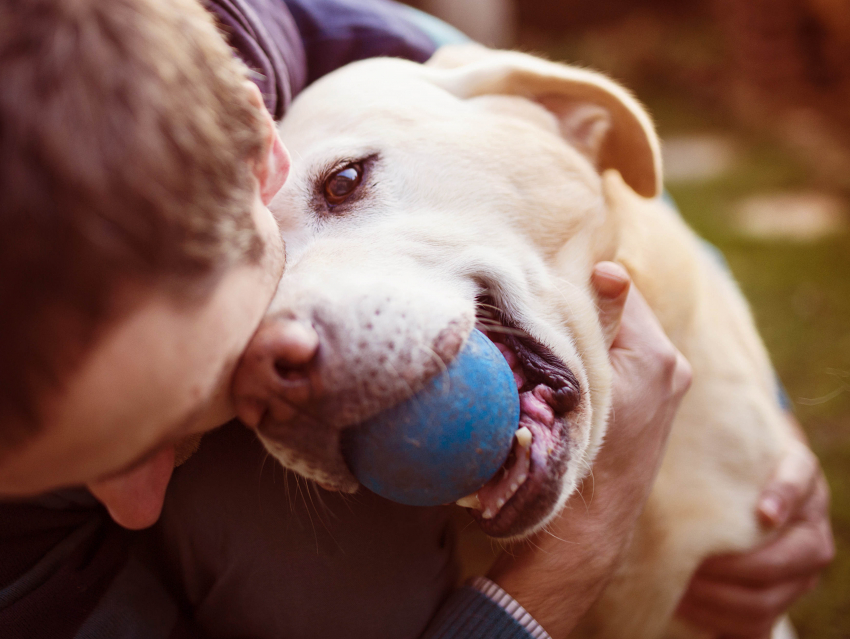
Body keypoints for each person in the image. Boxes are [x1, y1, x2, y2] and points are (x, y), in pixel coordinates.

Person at [0, 0, 832, 637]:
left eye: (344, 186)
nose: (135, 501)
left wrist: (763, 431)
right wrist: (554, 578)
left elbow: (574, 163)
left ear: (260, 149)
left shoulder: (372, 52)